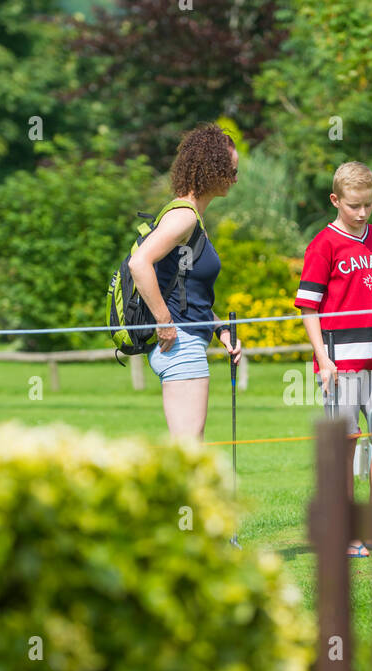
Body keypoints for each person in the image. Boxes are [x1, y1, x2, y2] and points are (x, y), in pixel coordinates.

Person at [294, 161, 372, 559]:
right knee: (345, 445)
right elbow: (309, 309)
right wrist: (322, 360)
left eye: (368, 205)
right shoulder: (323, 245)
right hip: (339, 364)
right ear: (335, 200)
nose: (362, 213)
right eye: (354, 205)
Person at [127, 122, 243, 440]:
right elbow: (140, 263)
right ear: (212, 171)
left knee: (189, 447)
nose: (235, 179)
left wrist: (220, 330)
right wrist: (164, 322)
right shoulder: (184, 216)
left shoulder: (192, 218)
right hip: (181, 345)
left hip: (189, 340)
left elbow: (186, 290)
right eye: (231, 171)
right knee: (188, 449)